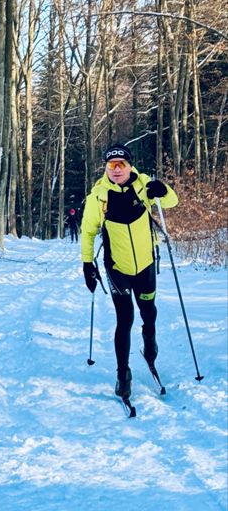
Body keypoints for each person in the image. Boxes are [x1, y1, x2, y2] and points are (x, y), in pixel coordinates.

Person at [80, 143, 178, 398]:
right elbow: (87, 232)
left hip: (146, 265)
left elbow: (171, 201)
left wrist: (163, 189)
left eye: (121, 164)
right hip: (117, 268)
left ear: (129, 165)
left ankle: (150, 346)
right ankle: (123, 373)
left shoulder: (143, 185)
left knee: (149, 312)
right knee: (125, 319)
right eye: (111, 165)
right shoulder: (98, 196)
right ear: (106, 168)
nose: (116, 169)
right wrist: (87, 264)